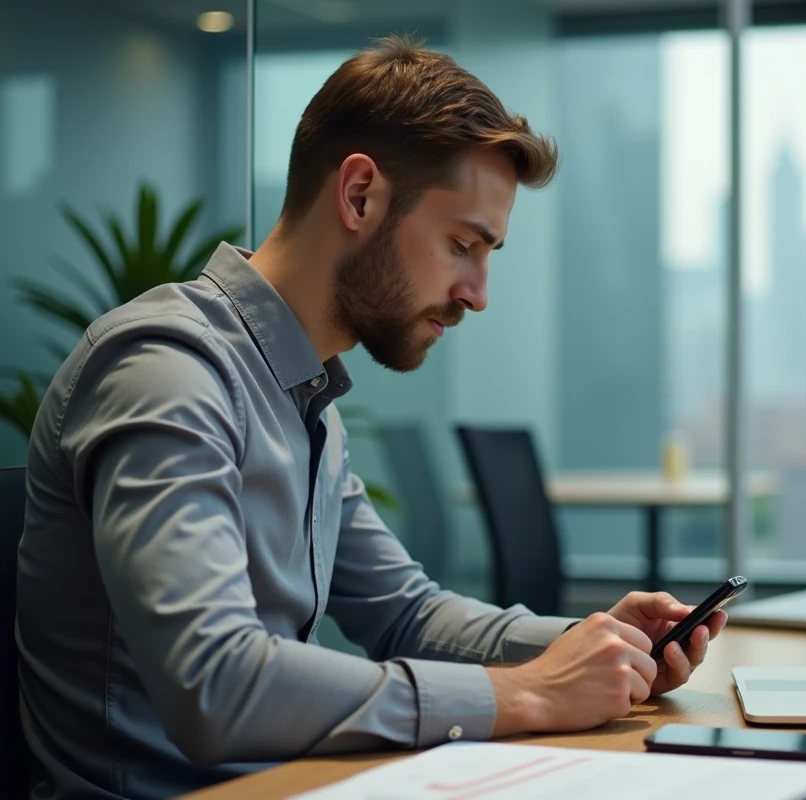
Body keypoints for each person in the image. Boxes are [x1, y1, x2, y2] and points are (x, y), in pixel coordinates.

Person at [14, 35, 726, 800]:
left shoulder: (304, 395)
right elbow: (214, 684)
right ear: (359, 196)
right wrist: (529, 693)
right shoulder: (168, 371)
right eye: (462, 245)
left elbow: (406, 614)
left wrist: (593, 647)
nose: (478, 292)